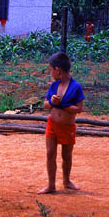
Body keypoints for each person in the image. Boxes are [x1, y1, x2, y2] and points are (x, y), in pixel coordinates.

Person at [38, 52, 85, 194]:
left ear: (57, 70)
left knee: (66, 155)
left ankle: (66, 181)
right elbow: (46, 104)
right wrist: (52, 101)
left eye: (51, 69)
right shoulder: (54, 86)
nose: (50, 72)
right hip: (52, 124)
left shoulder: (76, 87)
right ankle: (51, 185)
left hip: (67, 126)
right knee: (50, 153)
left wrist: (62, 105)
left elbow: (79, 109)